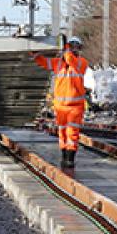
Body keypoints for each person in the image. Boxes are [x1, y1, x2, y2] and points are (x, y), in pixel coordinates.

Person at [33, 35, 91, 170]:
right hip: (60, 107)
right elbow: (43, 62)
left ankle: (70, 159)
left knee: (72, 133)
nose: (73, 49)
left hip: (75, 107)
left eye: (76, 46)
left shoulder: (81, 62)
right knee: (62, 132)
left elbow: (70, 59)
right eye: (72, 46)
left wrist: (65, 48)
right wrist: (33, 51)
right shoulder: (58, 63)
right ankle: (64, 156)